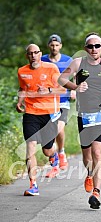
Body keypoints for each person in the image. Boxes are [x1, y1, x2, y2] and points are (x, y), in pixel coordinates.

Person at [58, 32, 101, 209]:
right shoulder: (78, 63)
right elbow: (61, 78)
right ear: (85, 48)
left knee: (97, 153)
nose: (94, 49)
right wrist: (76, 87)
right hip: (84, 115)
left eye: (97, 46)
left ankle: (96, 192)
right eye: (90, 46)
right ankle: (89, 173)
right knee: (87, 155)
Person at [16, 43, 65, 196]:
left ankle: (53, 155)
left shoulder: (51, 69)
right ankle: (33, 185)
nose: (33, 56)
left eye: (36, 53)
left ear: (40, 53)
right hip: (31, 113)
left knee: (46, 150)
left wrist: (49, 90)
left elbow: (63, 89)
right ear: (27, 56)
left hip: (49, 114)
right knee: (30, 147)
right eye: (30, 53)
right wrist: (19, 102)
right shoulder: (22, 71)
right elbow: (23, 88)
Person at [41, 34, 74, 178]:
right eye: (52, 45)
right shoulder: (42, 60)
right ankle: (59, 155)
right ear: (49, 46)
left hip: (63, 100)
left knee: (57, 128)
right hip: (47, 101)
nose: (54, 47)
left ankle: (58, 155)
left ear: (61, 46)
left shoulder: (68, 60)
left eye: (57, 45)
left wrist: (73, 89)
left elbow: (77, 75)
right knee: (56, 131)